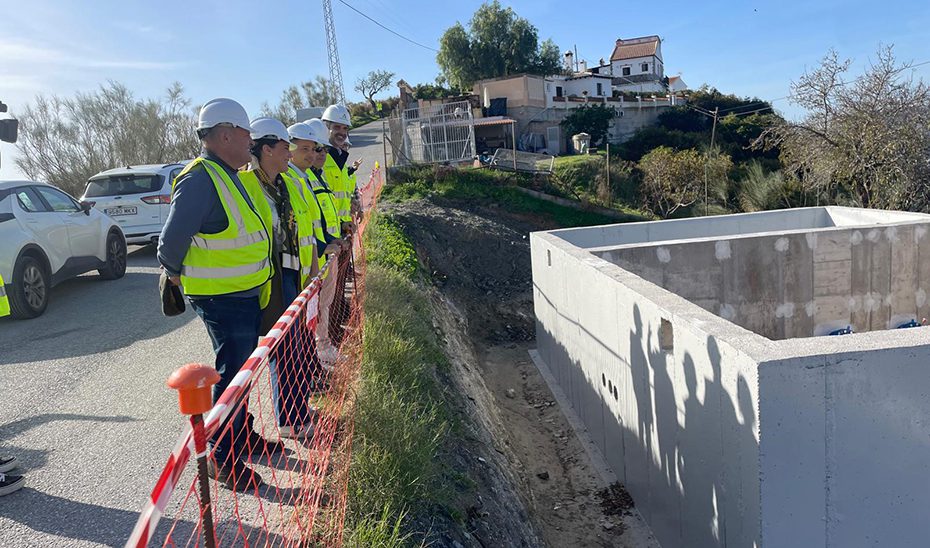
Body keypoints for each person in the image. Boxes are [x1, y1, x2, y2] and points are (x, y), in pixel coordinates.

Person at [156, 98, 276, 491]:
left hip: (241, 295)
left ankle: (241, 435)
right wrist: (171, 275)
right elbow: (171, 240)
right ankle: (222, 458)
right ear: (225, 134)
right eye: (246, 136)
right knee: (231, 376)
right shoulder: (200, 178)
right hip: (222, 298)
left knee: (241, 371)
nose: (250, 143)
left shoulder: (226, 174)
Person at [238, 117, 318, 439]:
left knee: (295, 344)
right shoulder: (246, 185)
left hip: (291, 273)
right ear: (267, 148)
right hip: (266, 278)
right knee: (282, 347)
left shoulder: (285, 184)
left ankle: (298, 408)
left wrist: (311, 267)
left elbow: (301, 228)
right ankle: (290, 418)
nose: (291, 152)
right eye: (286, 147)